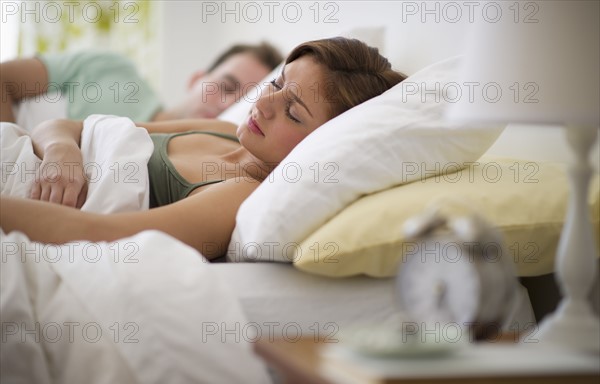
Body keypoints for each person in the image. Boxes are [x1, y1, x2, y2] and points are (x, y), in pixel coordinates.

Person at [1, 37, 407, 260]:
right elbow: (66, 127)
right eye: (279, 84)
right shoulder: (221, 131)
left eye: (294, 113)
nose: (262, 103)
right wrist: (62, 152)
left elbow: (100, 236)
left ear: (321, 144)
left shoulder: (239, 194)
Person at [0, 42, 283, 123]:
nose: (225, 104)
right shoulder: (108, 69)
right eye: (226, 86)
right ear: (197, 79)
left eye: (243, 103)